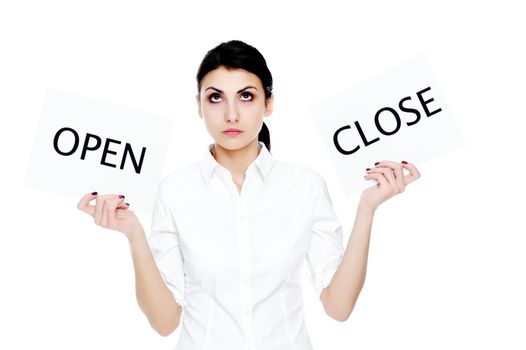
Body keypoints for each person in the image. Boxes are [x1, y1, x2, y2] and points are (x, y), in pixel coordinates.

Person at [77, 39, 421, 349]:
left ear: (268, 103)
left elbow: (338, 307)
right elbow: (165, 322)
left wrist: (366, 210)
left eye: (246, 96)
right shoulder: (175, 191)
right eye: (215, 97)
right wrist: (134, 235)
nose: (231, 114)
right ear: (199, 105)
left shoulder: (305, 186)